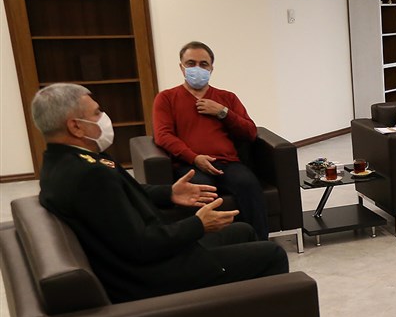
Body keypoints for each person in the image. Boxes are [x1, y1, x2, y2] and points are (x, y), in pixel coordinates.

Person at [34, 83, 290, 302]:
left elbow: (127, 192)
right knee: (272, 255)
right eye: (97, 112)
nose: (103, 116)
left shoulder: (69, 161)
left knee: (243, 230)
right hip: (152, 274)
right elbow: (141, 245)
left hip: (153, 259)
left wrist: (169, 193)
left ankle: (239, 315)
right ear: (76, 127)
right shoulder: (89, 175)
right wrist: (198, 224)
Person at [152, 41, 268, 240]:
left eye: (203, 64)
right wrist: (194, 157)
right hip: (190, 164)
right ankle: (211, 249)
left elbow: (250, 132)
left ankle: (259, 244)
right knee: (201, 191)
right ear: (181, 67)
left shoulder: (227, 98)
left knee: (249, 185)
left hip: (228, 163)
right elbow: (163, 135)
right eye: (191, 63)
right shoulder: (166, 98)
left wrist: (223, 112)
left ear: (211, 68)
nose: (197, 68)